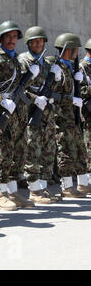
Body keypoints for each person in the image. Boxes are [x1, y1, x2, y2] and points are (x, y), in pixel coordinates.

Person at [0, 20, 38, 211]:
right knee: (2, 154)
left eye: (14, 37)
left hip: (19, 114)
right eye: (8, 36)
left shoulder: (15, 59)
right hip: (3, 113)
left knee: (18, 153)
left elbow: (18, 88)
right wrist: (0, 99)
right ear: (1, 38)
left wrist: (34, 95)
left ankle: (13, 192)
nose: (12, 40)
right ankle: (1, 194)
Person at [19, 26, 62, 203]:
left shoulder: (46, 63)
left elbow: (53, 89)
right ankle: (34, 190)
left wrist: (58, 79)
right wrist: (35, 98)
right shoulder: (24, 61)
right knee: (33, 150)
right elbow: (19, 88)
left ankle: (43, 188)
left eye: (41, 41)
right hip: (31, 111)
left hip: (47, 113)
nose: (38, 44)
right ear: (28, 43)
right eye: (35, 41)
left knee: (48, 149)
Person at [50, 33, 89, 197]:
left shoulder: (71, 67)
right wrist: (71, 100)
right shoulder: (57, 67)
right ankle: (66, 186)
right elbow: (53, 95)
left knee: (80, 149)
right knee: (65, 150)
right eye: (75, 49)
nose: (77, 52)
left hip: (73, 116)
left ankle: (83, 184)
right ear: (69, 49)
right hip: (61, 116)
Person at [79, 38, 91, 186]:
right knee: (89, 145)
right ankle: (88, 177)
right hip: (87, 113)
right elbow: (80, 90)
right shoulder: (82, 67)